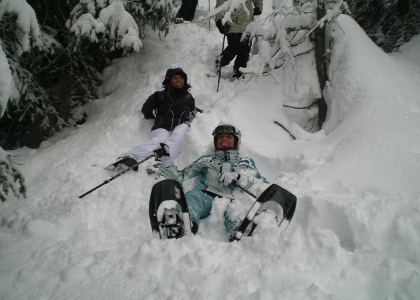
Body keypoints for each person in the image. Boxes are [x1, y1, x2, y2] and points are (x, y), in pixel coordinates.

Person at [155, 124, 268, 237]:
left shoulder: (246, 162)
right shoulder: (206, 160)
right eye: (220, 137)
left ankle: (241, 232)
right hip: (207, 197)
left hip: (234, 200)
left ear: (237, 141)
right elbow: (182, 177)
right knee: (193, 196)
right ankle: (183, 223)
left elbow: (261, 185)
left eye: (229, 137)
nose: (224, 139)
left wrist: (240, 178)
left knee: (237, 211)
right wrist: (166, 163)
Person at [109, 68, 197, 171]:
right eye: (175, 78)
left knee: (178, 135)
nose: (178, 80)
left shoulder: (188, 97)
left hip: (180, 125)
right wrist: (151, 117)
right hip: (162, 126)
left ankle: (163, 161)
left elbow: (192, 109)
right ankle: (128, 157)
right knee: (158, 141)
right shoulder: (159, 96)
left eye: (181, 78)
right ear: (169, 80)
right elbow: (146, 109)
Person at [214, 0, 263, 79]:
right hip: (232, 23)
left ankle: (239, 72)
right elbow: (220, 6)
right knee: (234, 47)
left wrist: (258, 7)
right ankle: (220, 61)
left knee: (244, 51)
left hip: (247, 23)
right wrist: (219, 21)